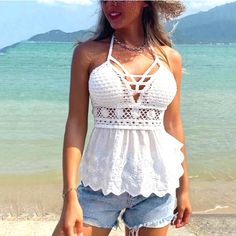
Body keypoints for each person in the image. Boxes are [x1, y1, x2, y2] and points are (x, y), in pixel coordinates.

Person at [52, 1, 192, 236]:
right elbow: (76, 123)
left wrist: (184, 190)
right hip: (99, 185)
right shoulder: (88, 53)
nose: (110, 5)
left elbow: (172, 125)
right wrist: (70, 195)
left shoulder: (170, 58)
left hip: (156, 187)